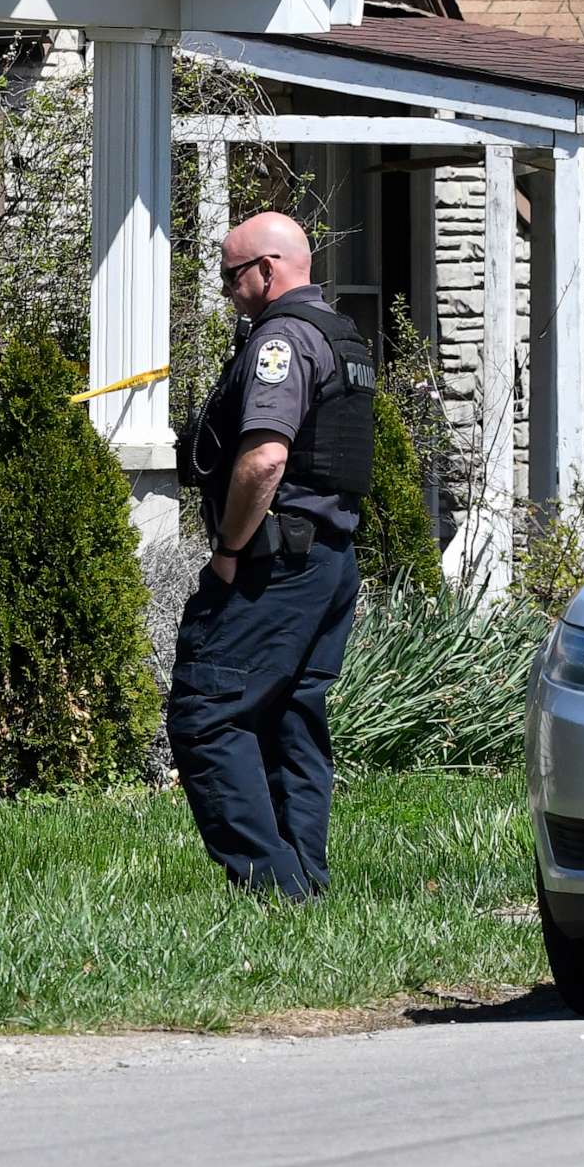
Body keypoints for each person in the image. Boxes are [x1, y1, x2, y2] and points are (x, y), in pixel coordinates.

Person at [169, 212, 375, 899]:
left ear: (268, 269)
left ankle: (272, 888)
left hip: (275, 563)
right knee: (292, 714)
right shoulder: (341, 336)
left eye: (233, 277)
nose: (228, 291)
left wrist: (229, 550)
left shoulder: (281, 340)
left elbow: (264, 460)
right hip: (330, 563)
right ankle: (304, 889)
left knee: (208, 710)